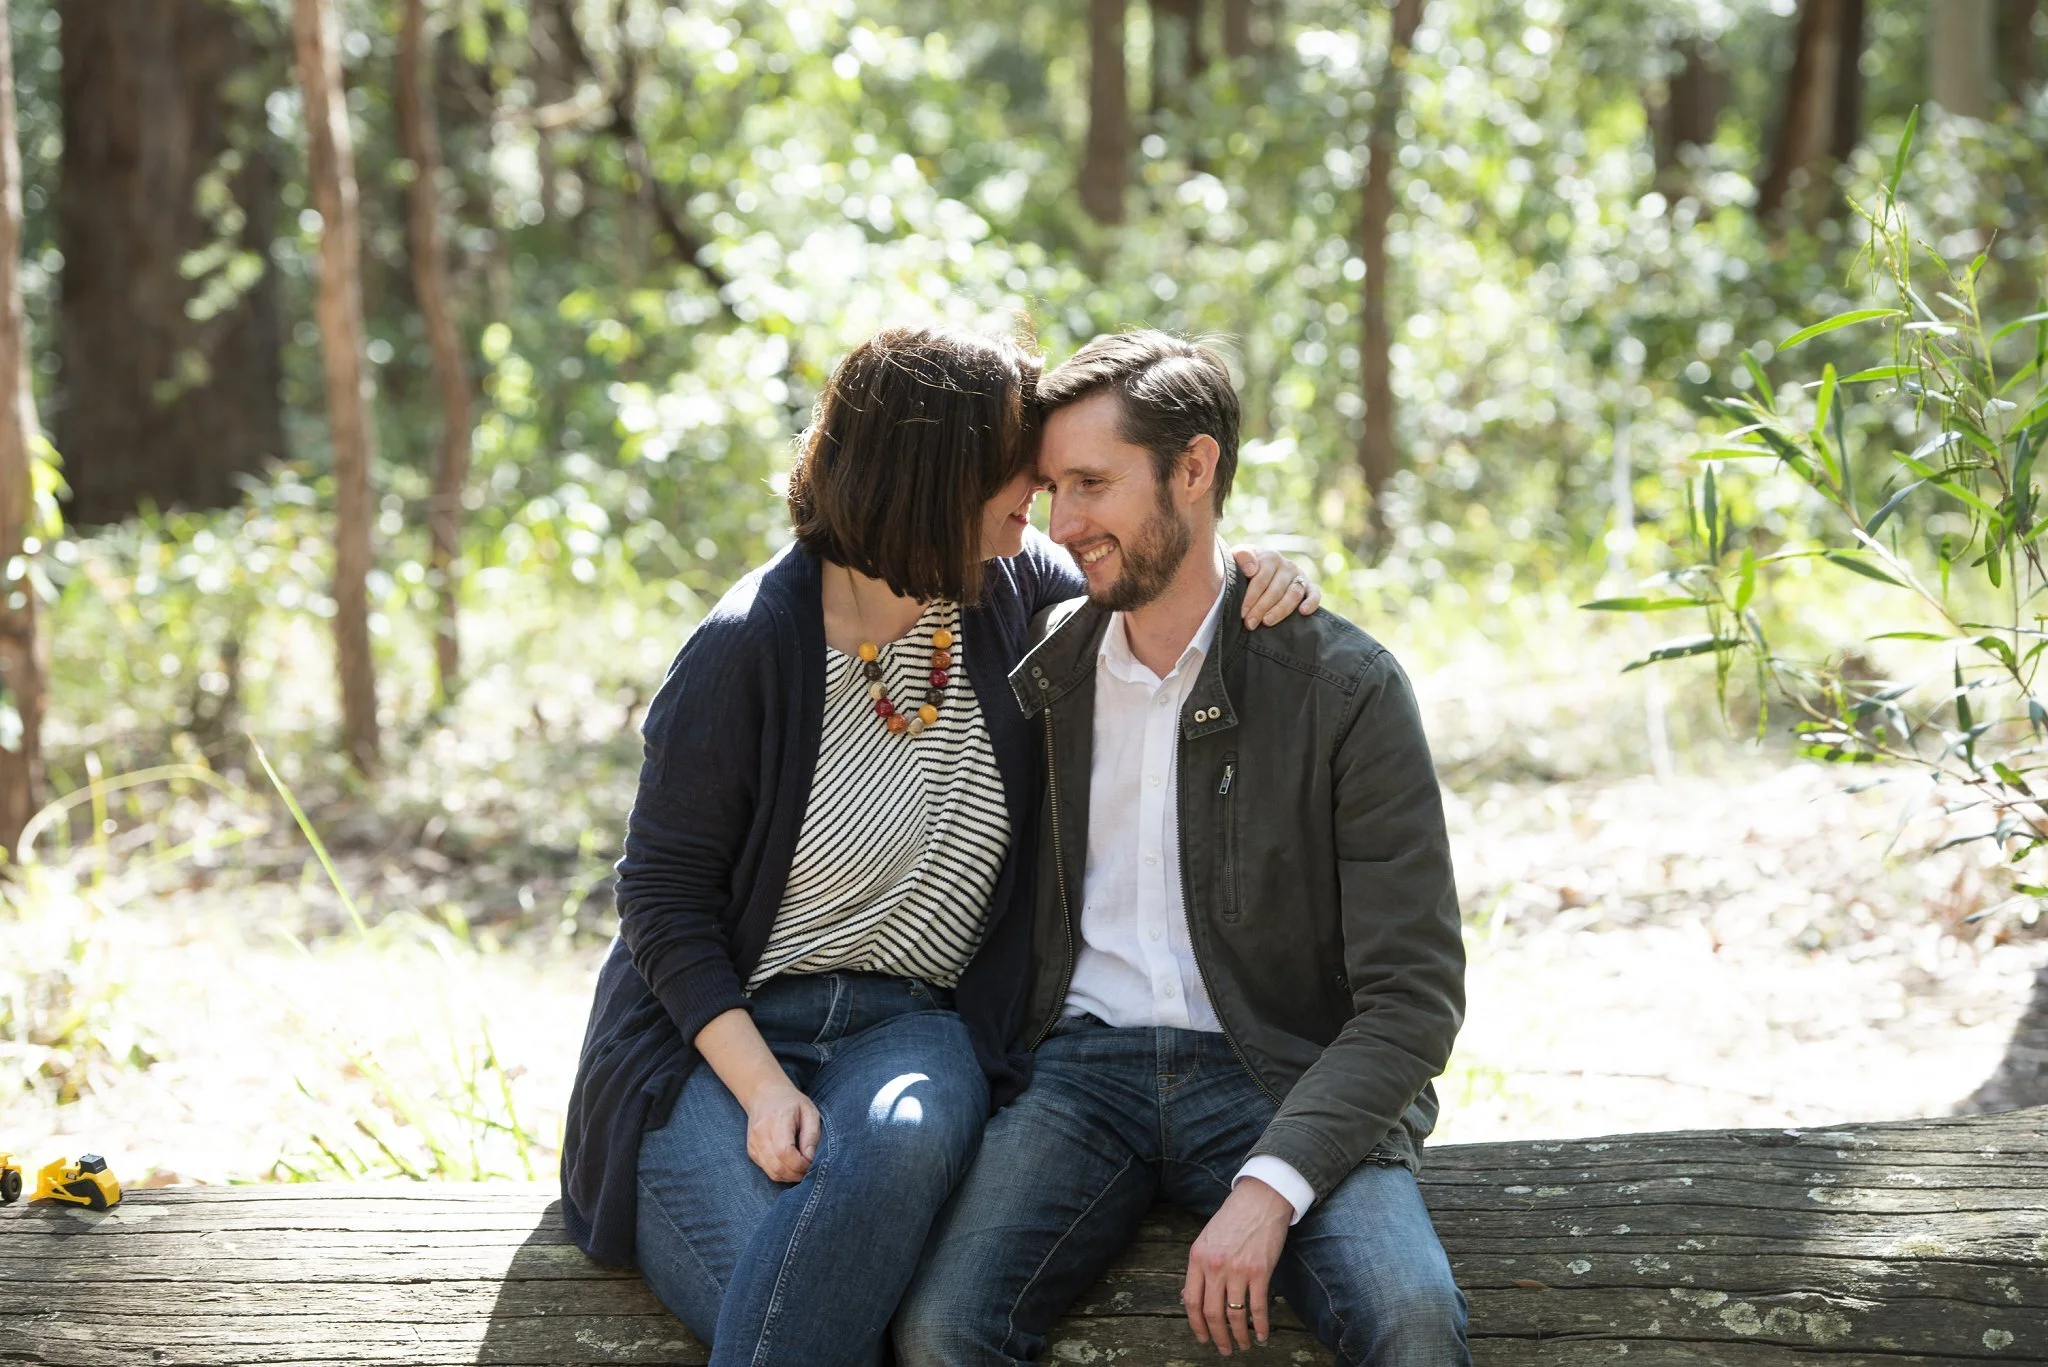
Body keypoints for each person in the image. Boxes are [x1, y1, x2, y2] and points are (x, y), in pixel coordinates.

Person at [557, 323, 1319, 1367]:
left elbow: (1165, 590)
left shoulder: (1020, 596)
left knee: (903, 1142)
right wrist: (764, 1088)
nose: (1046, 489)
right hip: (708, 1044)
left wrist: (1267, 568)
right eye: (1020, 461)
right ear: (935, 469)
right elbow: (660, 897)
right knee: (818, 1323)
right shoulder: (746, 649)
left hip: (908, 1026)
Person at [896, 331, 1470, 1367]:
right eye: (1048, 488)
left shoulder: (1338, 688)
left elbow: (1412, 997)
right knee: (940, 1330)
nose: (1062, 523)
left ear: (1194, 468)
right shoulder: (1041, 675)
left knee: (1412, 1320)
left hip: (1276, 1069)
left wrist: (1270, 1185)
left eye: (1091, 483)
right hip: (1077, 1078)